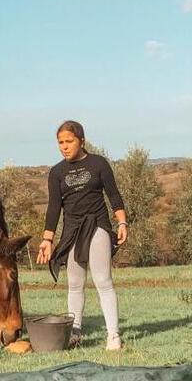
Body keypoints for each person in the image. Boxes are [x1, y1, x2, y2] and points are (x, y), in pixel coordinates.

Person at [36, 120, 128, 350]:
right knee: (75, 285)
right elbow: (54, 208)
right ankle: (75, 335)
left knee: (103, 281)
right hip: (71, 231)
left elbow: (113, 195)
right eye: (60, 142)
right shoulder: (56, 172)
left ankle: (113, 335)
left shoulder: (98, 164)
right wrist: (47, 240)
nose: (64, 146)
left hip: (97, 225)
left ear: (82, 141)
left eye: (69, 141)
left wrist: (122, 222)